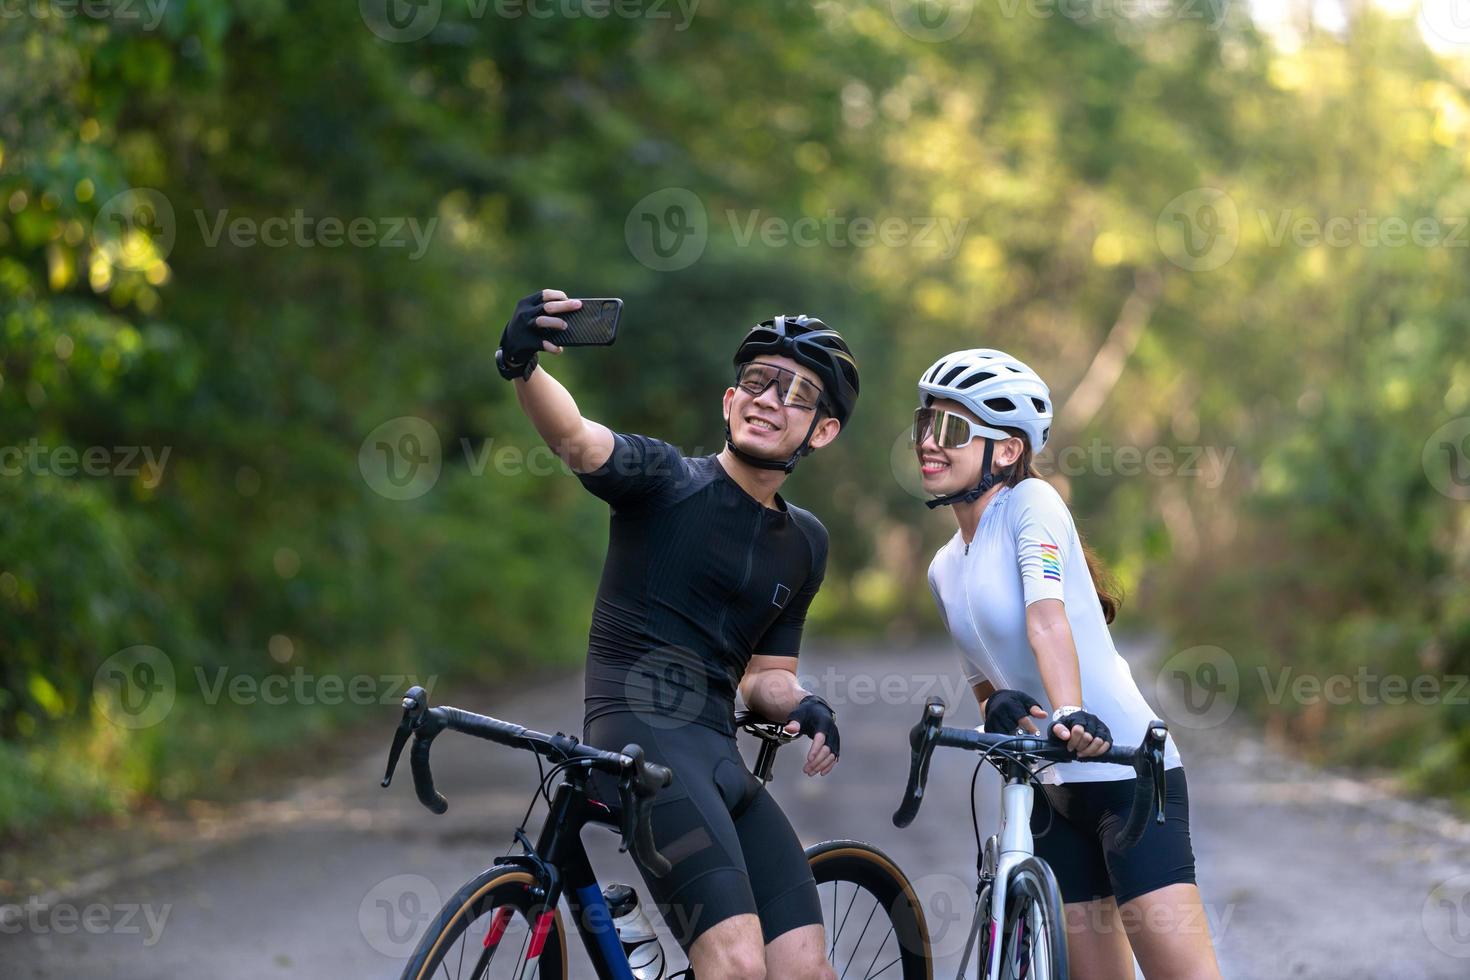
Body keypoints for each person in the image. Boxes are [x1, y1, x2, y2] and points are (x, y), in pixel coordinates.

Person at [497, 289, 859, 979]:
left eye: (797, 393)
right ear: (730, 400)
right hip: (638, 738)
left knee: (806, 969)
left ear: (822, 432)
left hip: (716, 755)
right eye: (757, 381)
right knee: (737, 966)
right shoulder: (663, 479)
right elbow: (576, 437)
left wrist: (803, 703)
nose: (769, 398)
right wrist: (522, 365)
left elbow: (763, 677)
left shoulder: (805, 543)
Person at [912, 348, 1222, 979]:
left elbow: (1046, 618)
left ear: (1004, 450)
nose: (928, 443)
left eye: (950, 429)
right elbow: (985, 678)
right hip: (1051, 787)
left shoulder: (1032, 503)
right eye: (924, 425)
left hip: (1128, 772)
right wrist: (998, 710)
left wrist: (1070, 709)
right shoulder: (944, 567)